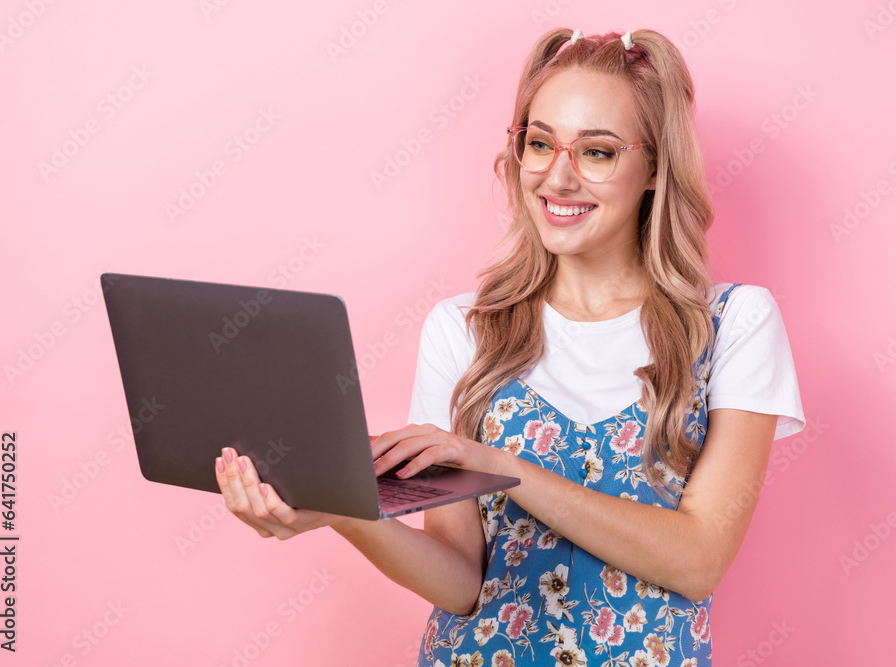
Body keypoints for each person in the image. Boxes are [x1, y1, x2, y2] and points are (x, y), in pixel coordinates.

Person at [216, 27, 805, 667]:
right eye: (540, 143)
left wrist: (504, 468)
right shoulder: (464, 331)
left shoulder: (733, 325)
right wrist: (344, 512)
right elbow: (462, 580)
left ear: (656, 167)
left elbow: (698, 561)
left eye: (598, 152)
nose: (558, 176)